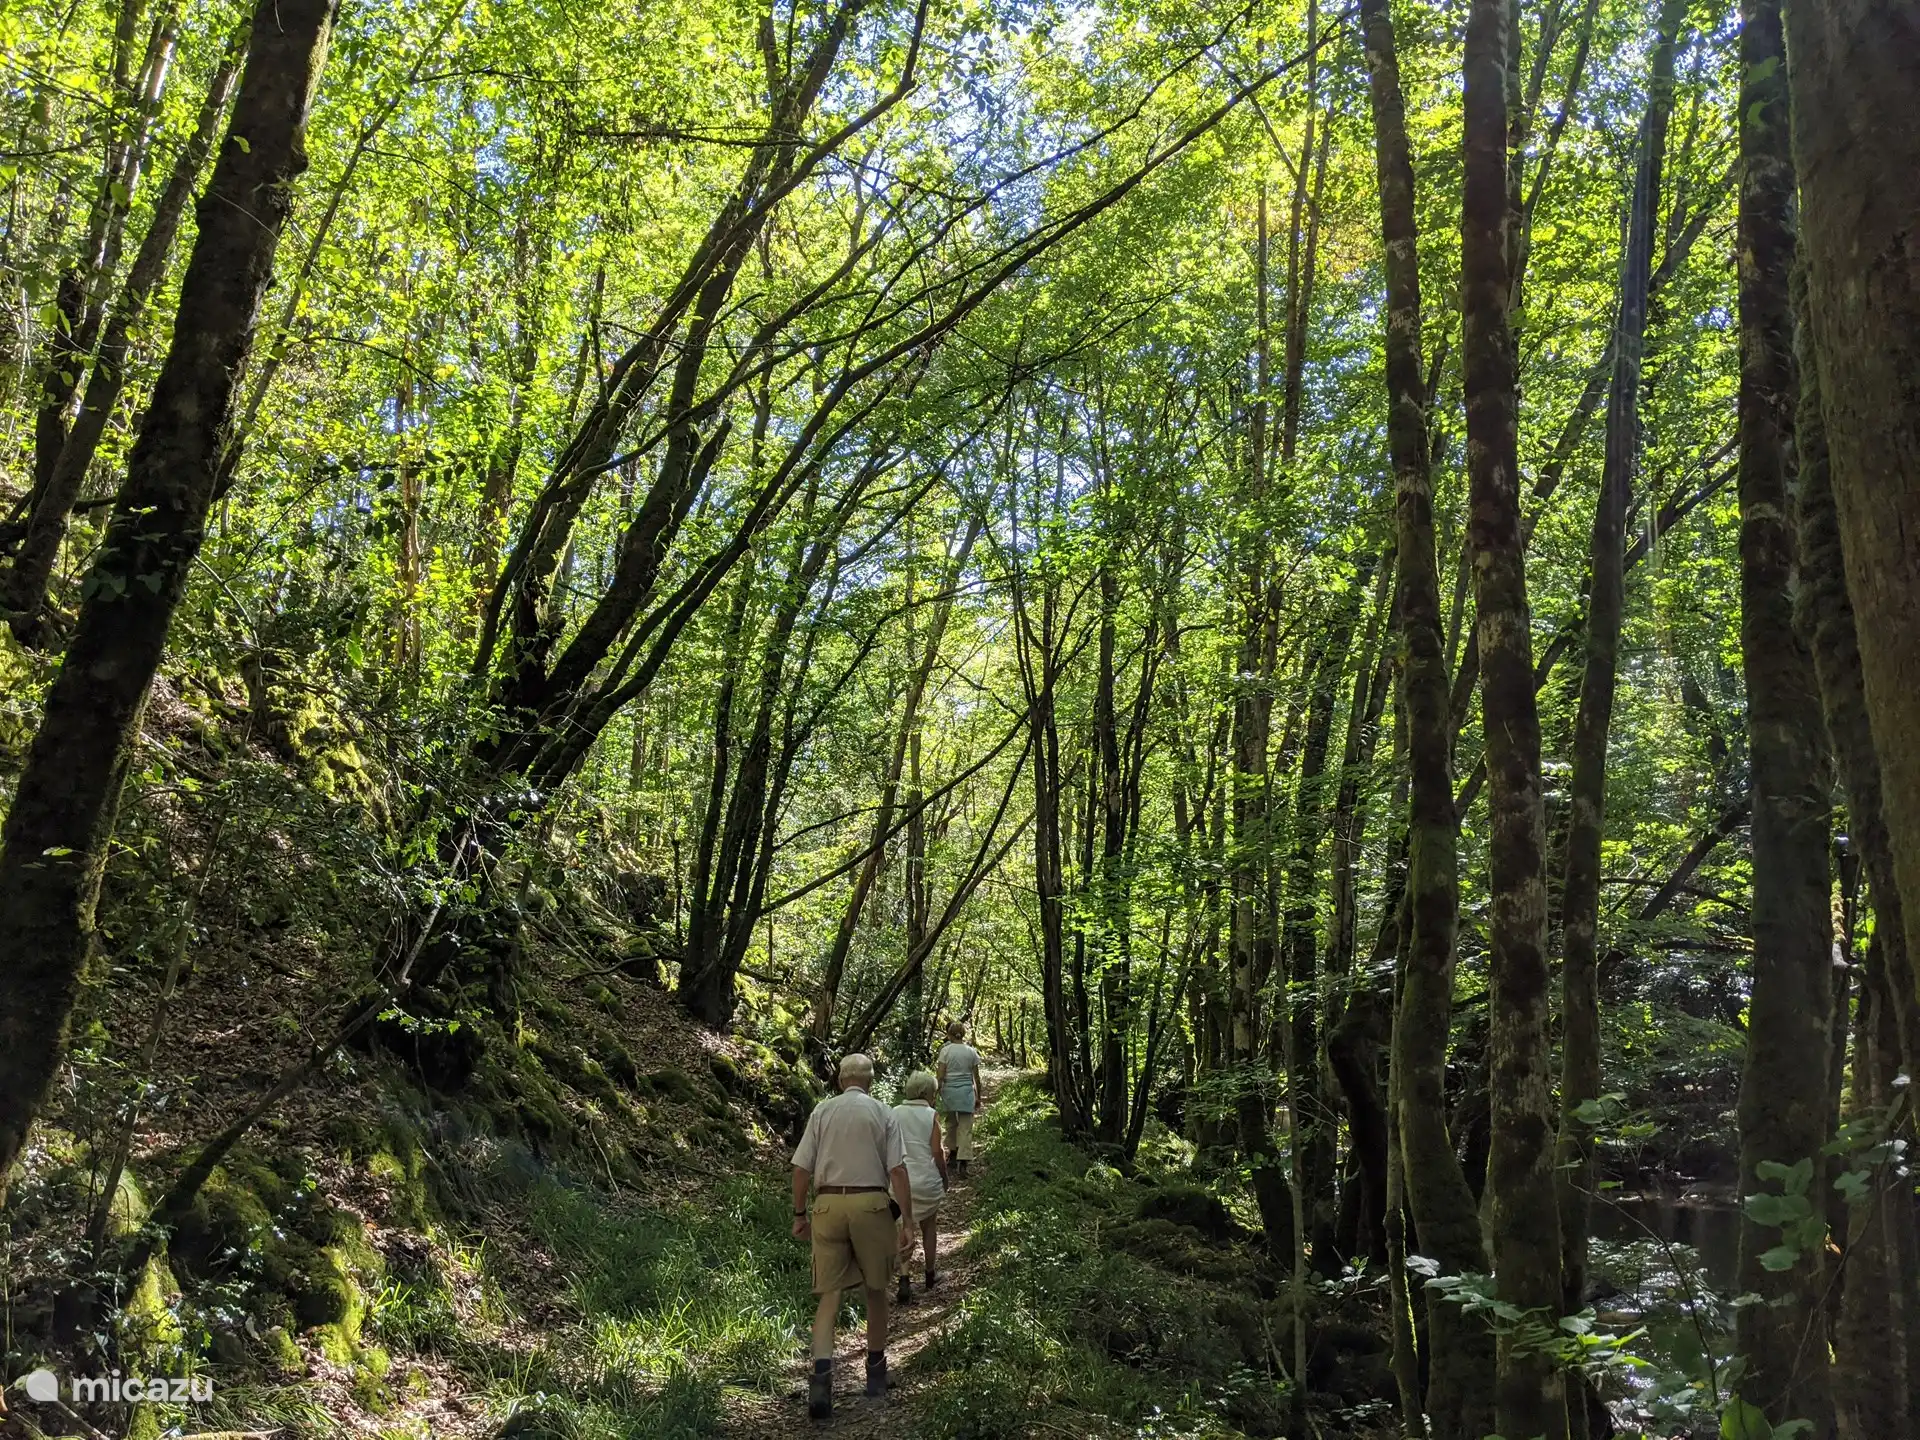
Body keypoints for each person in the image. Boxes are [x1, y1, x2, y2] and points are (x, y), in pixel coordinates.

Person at [792, 1052, 912, 1419]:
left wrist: (799, 1214)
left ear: (841, 1080)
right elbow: (897, 1170)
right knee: (876, 1289)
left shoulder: (822, 1112)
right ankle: (875, 1374)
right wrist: (907, 1220)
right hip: (872, 1206)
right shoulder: (883, 1112)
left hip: (828, 1206)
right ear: (870, 1080)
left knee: (829, 1295)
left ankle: (821, 1379)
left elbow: (800, 1168)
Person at [890, 1070, 949, 1304]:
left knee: (902, 1226)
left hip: (900, 1181)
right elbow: (937, 1152)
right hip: (926, 1181)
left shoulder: (894, 1113)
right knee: (929, 1227)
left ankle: (904, 1278)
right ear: (927, 1093)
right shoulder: (931, 1115)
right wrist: (944, 1177)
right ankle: (930, 1275)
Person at [935, 1020, 982, 1178]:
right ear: (963, 1034)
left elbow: (940, 1075)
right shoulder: (971, 1052)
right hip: (966, 1093)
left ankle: (953, 1154)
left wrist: (936, 1093)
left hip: (949, 1093)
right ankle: (964, 1162)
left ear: (949, 1035)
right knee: (965, 1128)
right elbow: (976, 1077)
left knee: (951, 1124)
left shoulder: (945, 1051)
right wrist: (978, 1096)